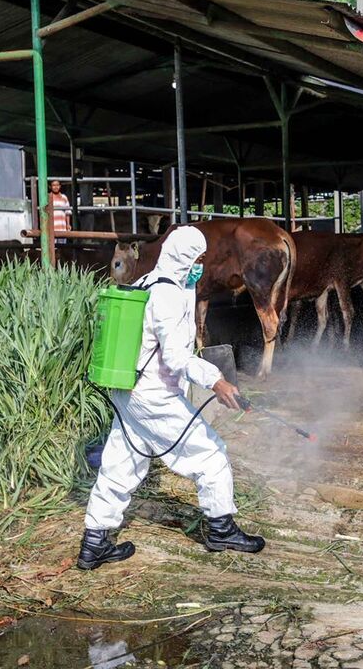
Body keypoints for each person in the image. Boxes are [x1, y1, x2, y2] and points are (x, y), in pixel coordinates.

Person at [78, 226, 265, 570]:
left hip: (127, 391)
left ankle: (94, 542)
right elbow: (177, 358)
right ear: (181, 257)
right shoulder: (167, 295)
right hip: (154, 396)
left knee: (122, 464)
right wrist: (217, 382)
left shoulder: (146, 282)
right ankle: (220, 528)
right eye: (197, 259)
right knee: (210, 455)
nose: (200, 266)